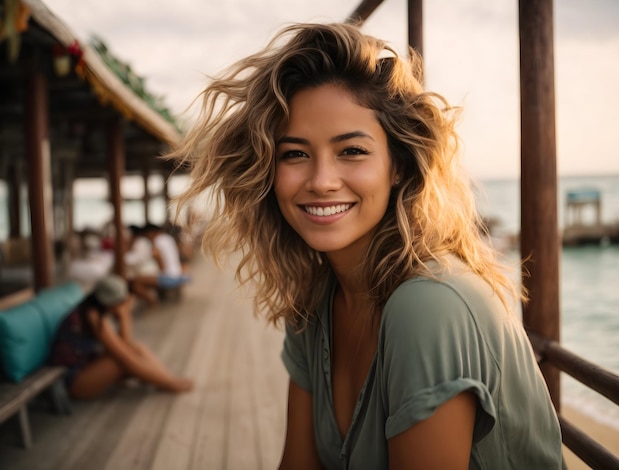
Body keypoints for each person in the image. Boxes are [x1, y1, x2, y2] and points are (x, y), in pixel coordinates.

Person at [171, 23, 563, 469]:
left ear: (398, 166)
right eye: (294, 154)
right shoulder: (317, 301)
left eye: (352, 151)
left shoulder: (429, 306)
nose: (320, 181)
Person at [49, 274, 193, 399]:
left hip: (85, 368)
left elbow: (124, 345)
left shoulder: (91, 309)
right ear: (109, 302)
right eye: (121, 302)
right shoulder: (93, 317)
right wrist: (125, 316)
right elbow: (123, 354)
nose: (124, 304)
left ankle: (166, 380)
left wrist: (123, 316)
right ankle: (168, 383)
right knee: (122, 360)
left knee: (137, 349)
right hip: (73, 382)